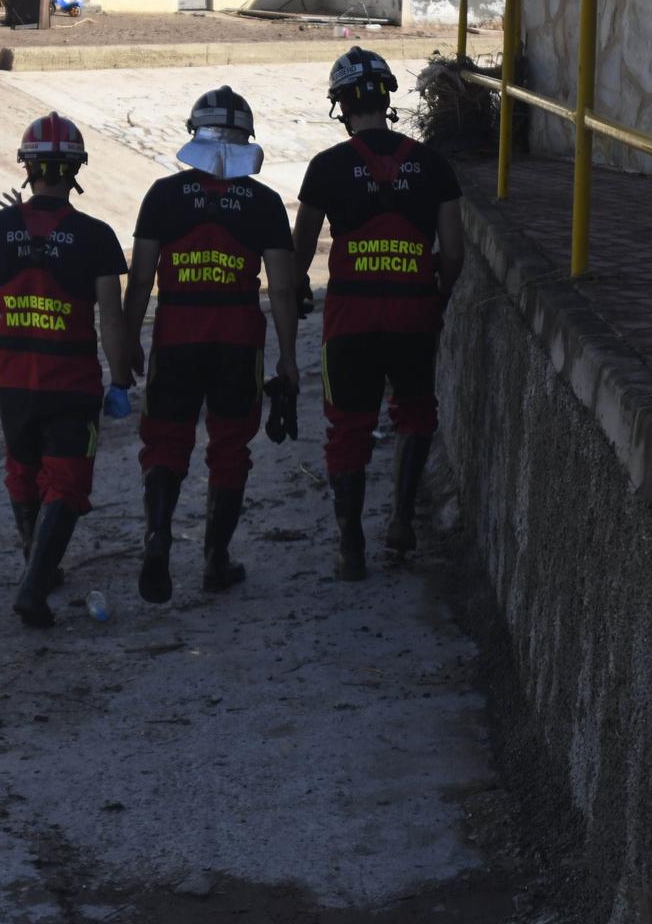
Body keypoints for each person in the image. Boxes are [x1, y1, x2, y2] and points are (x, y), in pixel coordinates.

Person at [122, 87, 301, 603]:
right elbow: (283, 288)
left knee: (164, 440)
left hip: (176, 333)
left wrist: (132, 339)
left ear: (191, 134)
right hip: (239, 339)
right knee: (229, 447)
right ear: (247, 138)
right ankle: (215, 560)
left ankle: (158, 537)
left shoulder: (162, 195)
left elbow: (140, 281)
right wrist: (288, 357)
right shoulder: (265, 203)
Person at [291, 47, 464, 581]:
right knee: (415, 413)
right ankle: (402, 522)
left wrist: (297, 288)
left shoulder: (326, 167)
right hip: (414, 313)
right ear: (388, 98)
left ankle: (350, 547)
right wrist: (438, 296)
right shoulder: (433, 165)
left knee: (348, 426)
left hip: (350, 320)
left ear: (340, 105)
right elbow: (454, 253)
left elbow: (300, 251)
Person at [0, 113, 133, 627]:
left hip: (13, 379)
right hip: (72, 383)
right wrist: (120, 379)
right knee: (68, 480)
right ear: (76, 168)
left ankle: (38, 562)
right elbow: (112, 320)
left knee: (23, 469)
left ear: (26, 168)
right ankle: (33, 587)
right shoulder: (96, 236)